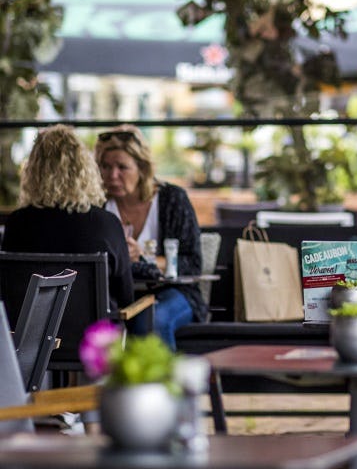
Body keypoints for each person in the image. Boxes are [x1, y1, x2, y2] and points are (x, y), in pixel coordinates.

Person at [95, 125, 206, 350]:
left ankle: (157, 385)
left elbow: (192, 264)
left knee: (153, 320)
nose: (112, 175)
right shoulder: (98, 204)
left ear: (142, 168)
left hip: (174, 293)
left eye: (122, 167)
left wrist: (144, 256)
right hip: (116, 295)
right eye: (105, 167)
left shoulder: (171, 199)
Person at [2, 125, 134, 312]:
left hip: (33, 338)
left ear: (33, 171)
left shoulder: (17, 223)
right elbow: (125, 296)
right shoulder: (106, 223)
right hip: (94, 338)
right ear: (84, 168)